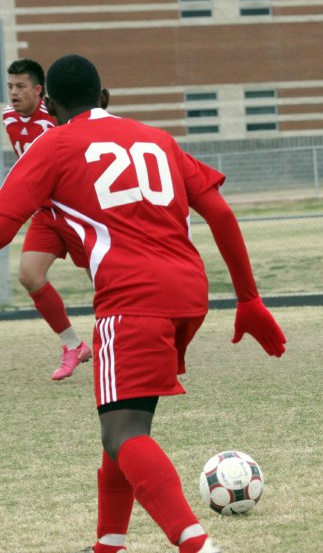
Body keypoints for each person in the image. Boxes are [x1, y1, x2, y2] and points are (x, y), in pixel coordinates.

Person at [0, 54, 287, 553]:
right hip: (188, 294)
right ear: (102, 92)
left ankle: (198, 545)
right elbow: (219, 212)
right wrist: (247, 298)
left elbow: (4, 224)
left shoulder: (53, 144)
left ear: (48, 102)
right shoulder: (157, 137)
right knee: (121, 424)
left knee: (124, 433)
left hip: (131, 299)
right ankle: (109, 544)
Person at [4, 58, 92, 380]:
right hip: (46, 211)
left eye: (21, 86)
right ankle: (74, 345)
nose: (13, 93)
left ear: (39, 90)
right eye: (10, 86)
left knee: (102, 280)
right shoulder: (7, 117)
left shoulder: (57, 118)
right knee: (29, 275)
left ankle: (126, 341)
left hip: (77, 210)